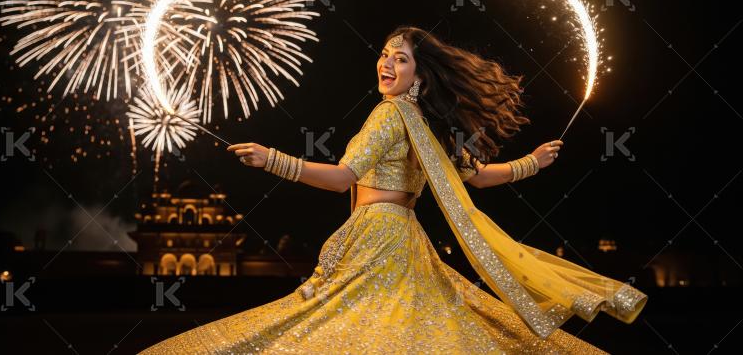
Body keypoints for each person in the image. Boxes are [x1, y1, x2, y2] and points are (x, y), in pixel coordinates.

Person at [140, 26, 647, 354]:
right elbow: (476, 177)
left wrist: (271, 159)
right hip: (404, 238)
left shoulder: (390, 115)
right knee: (419, 331)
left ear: (420, 76)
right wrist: (530, 165)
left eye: (400, 59)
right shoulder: (425, 123)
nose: (387, 64)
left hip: (379, 238)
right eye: (385, 55)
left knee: (334, 328)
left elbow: (343, 178)